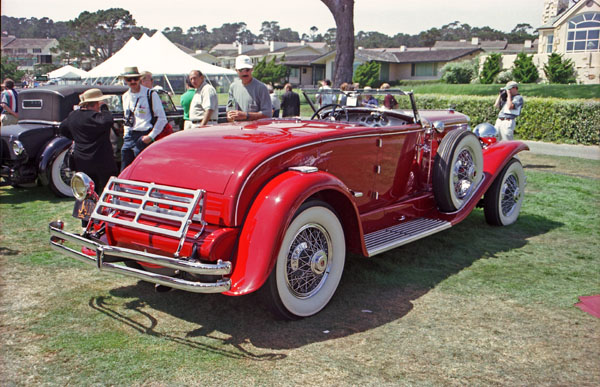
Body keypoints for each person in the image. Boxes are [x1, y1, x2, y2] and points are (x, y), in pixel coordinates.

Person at [59, 88, 117, 195]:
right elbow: (108, 120)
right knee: (109, 189)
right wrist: (104, 108)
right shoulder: (97, 117)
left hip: (82, 159)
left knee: (88, 191)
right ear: (97, 104)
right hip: (102, 159)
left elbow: (63, 128)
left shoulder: (73, 116)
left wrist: (76, 137)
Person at [119, 66, 167, 171]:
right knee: (125, 168)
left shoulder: (150, 94)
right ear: (125, 81)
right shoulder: (125, 96)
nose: (132, 81)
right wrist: (125, 135)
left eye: (135, 79)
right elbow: (127, 117)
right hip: (130, 136)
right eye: (129, 79)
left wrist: (150, 136)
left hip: (144, 134)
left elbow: (162, 118)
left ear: (139, 79)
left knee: (143, 168)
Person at [226, 55, 272, 122]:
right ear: (236, 70)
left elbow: (267, 114)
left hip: (256, 130)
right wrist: (229, 115)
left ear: (252, 69)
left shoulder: (261, 88)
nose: (244, 73)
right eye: (241, 70)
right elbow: (230, 109)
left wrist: (246, 115)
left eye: (247, 70)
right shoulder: (233, 87)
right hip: (238, 129)